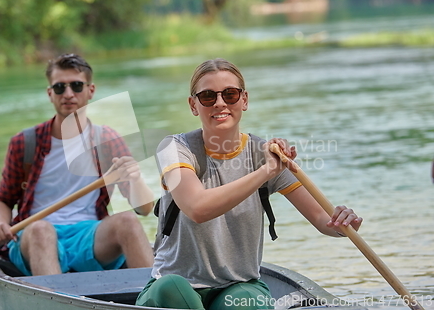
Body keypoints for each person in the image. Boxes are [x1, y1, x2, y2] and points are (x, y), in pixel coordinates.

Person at [136, 58, 363, 310]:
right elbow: (197, 208)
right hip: (176, 288)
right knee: (172, 290)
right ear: (193, 105)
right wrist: (264, 172)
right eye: (208, 96)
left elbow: (323, 219)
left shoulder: (264, 153)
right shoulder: (174, 148)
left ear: (244, 100)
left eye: (230, 94)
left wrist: (343, 224)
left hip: (238, 285)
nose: (220, 103)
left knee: (246, 303)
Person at [0, 53, 154, 276]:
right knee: (40, 230)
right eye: (59, 88)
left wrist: (135, 179)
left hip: (89, 237)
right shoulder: (25, 142)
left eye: (76, 86)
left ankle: (157, 297)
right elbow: (3, 200)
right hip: (35, 236)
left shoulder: (106, 140)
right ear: (50, 94)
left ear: (90, 90)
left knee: (127, 221)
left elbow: (144, 209)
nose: (68, 94)